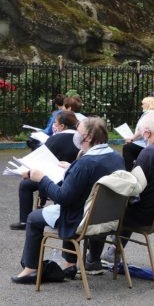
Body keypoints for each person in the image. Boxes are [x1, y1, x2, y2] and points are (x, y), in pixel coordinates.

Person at [11, 118, 124, 284]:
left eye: (79, 133)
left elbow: (62, 197)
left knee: (34, 218)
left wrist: (41, 178)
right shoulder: (115, 157)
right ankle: (69, 264)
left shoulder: (85, 163)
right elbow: (89, 179)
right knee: (69, 205)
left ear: (89, 137)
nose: (76, 136)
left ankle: (30, 268)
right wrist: (70, 168)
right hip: (104, 217)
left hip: (80, 219)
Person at [86, 112, 154, 271]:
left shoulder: (150, 153)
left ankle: (93, 259)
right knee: (132, 206)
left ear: (147, 133)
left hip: (149, 217)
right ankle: (113, 251)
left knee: (104, 208)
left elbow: (133, 187)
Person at [11, 111, 80, 231]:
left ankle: (24, 221)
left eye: (55, 123)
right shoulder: (81, 139)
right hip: (74, 179)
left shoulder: (56, 139)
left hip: (55, 180)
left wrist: (28, 173)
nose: (54, 125)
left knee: (25, 185)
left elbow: (41, 160)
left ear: (62, 126)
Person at [122, 96, 154, 171]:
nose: (141, 106)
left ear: (148, 104)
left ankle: (130, 170)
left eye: (143, 104)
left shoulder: (148, 114)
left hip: (148, 142)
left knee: (127, 148)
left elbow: (141, 130)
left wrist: (132, 139)